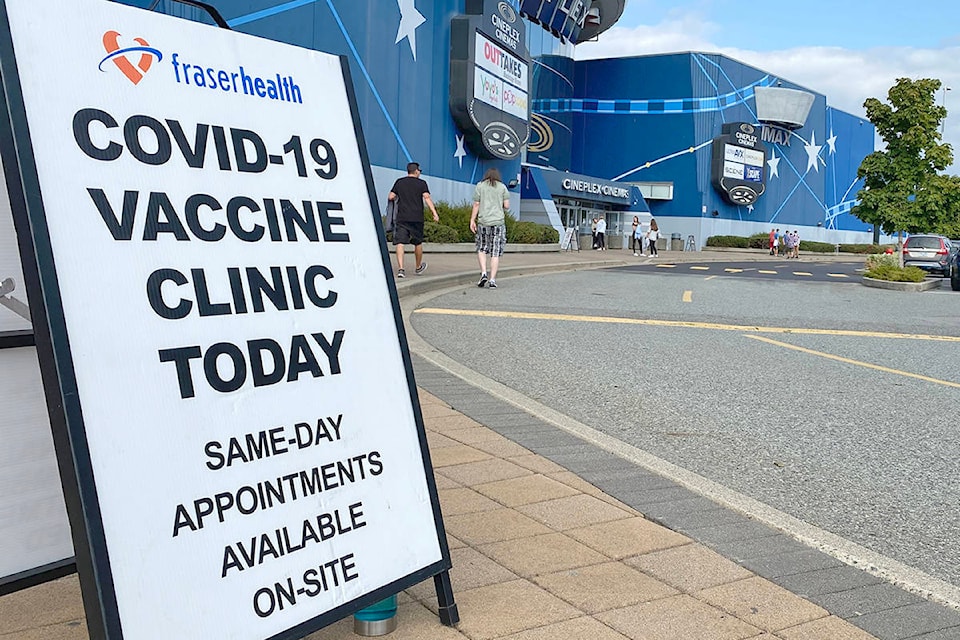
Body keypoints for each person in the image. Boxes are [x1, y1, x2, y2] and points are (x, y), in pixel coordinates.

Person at [388, 162, 439, 278]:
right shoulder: (422, 183)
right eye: (419, 171)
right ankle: (418, 267)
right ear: (416, 171)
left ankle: (401, 269)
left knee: (400, 242)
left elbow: (390, 196)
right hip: (417, 217)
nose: (420, 173)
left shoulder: (399, 182)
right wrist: (434, 213)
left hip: (402, 217)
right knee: (418, 242)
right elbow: (427, 198)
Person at [469, 168, 510, 288]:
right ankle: (492, 280)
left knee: (482, 248)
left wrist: (472, 220)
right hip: (498, 222)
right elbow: (507, 206)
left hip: (483, 222)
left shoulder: (480, 186)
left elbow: (476, 204)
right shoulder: (502, 187)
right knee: (495, 252)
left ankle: (483, 273)